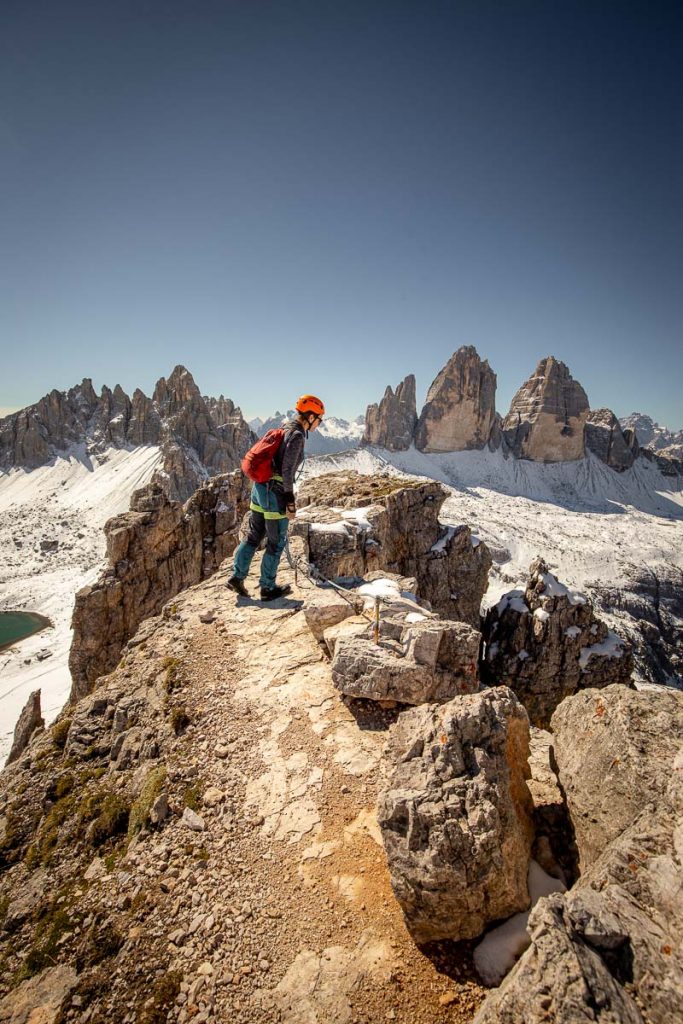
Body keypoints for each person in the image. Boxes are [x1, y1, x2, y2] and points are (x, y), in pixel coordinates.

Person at [227, 394, 325, 601]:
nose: (319, 423)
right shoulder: (297, 435)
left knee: (254, 535)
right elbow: (287, 470)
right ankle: (267, 588)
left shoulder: (285, 427)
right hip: (275, 493)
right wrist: (290, 502)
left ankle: (237, 576)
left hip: (260, 489)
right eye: (319, 418)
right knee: (276, 541)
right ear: (310, 416)